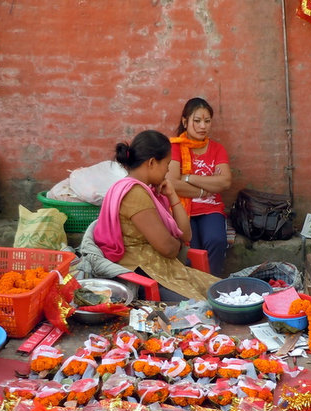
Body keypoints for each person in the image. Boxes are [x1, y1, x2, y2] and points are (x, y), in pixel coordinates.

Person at [92, 130, 218, 301]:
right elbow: (169, 248)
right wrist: (176, 243)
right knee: (207, 305)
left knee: (220, 293)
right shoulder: (135, 194)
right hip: (144, 276)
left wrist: (173, 196)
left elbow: (186, 236)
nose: (168, 170)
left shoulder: (149, 191)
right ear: (152, 163)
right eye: (166, 164)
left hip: (161, 267)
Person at [167, 97, 232, 276]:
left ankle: (214, 285)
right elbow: (172, 183)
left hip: (211, 209)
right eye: (197, 121)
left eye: (207, 121)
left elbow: (225, 182)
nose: (203, 126)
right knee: (191, 248)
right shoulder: (175, 148)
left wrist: (187, 177)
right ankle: (193, 291)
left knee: (216, 240)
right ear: (185, 121)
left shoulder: (217, 149)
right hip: (182, 209)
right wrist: (207, 187)